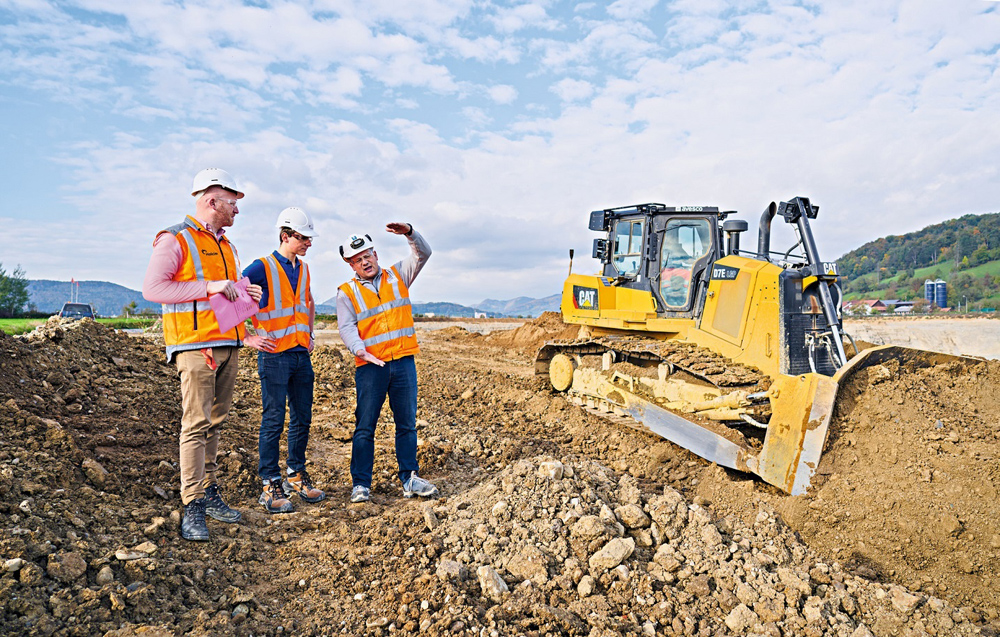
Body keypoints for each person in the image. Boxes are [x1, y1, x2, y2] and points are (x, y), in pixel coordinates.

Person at [142, 167, 270, 541]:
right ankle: (193, 504)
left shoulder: (227, 245)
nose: (237, 210)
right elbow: (153, 288)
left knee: (215, 422)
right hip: (196, 346)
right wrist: (210, 285)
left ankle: (209, 491)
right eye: (233, 203)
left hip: (228, 343)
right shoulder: (175, 239)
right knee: (195, 424)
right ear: (212, 200)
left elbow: (225, 298)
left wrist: (248, 306)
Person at [336, 223, 438, 503]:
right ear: (351, 264)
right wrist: (360, 350)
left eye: (367, 255)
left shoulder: (398, 275)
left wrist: (410, 233)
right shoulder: (347, 292)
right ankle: (361, 484)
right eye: (358, 260)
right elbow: (346, 328)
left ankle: (409, 477)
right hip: (371, 367)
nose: (365, 262)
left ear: (375, 254)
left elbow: (423, 253)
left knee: (406, 423)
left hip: (403, 362)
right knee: (365, 425)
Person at [243, 207, 324, 513]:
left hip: (301, 353)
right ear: (286, 235)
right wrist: (247, 335)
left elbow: (309, 302)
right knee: (274, 419)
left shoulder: (302, 269)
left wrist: (311, 334)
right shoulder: (261, 266)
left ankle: (295, 474)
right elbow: (232, 296)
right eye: (303, 238)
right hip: (274, 355)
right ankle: (269, 483)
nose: (308, 243)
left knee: (302, 417)